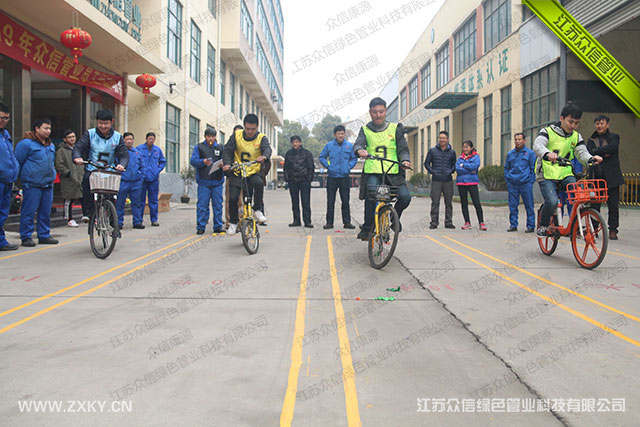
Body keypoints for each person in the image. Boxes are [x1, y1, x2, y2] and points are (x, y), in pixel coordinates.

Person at [533, 104, 602, 237]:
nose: (573, 126)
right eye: (570, 122)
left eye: (576, 123)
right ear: (562, 118)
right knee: (552, 202)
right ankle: (543, 225)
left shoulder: (576, 136)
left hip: (565, 173)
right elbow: (538, 145)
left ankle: (575, 224)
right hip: (547, 174)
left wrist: (591, 158)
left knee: (580, 195)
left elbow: (582, 153)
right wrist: (547, 154)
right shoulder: (548, 131)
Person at [354, 97, 412, 241]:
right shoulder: (365, 129)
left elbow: (403, 148)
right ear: (370, 112)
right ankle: (368, 227)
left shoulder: (396, 128)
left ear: (385, 111)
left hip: (393, 173)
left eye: (381, 111)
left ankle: (394, 217)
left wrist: (405, 160)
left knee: (405, 197)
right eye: (374, 112)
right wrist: (360, 150)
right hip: (373, 171)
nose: (378, 115)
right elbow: (358, 144)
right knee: (372, 194)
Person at [73, 109, 128, 220]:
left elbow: (124, 155)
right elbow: (78, 147)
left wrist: (122, 165)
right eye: (100, 123)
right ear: (97, 122)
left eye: (106, 123)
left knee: (110, 197)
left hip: (109, 171)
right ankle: (88, 213)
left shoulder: (117, 137)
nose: (103, 126)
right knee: (86, 182)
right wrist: (77, 157)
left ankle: (114, 226)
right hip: (93, 169)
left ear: (111, 122)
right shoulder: (90, 134)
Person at [222, 114, 272, 235]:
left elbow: (267, 149)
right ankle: (233, 223)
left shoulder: (261, 138)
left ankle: (257, 209)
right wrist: (227, 164)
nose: (250, 132)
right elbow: (228, 150)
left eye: (253, 129)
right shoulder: (236, 136)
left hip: (253, 170)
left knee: (259, 184)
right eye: (248, 128)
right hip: (238, 170)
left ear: (257, 127)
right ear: (244, 126)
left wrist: (264, 156)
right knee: (233, 198)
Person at [14, 118, 58, 247]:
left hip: (48, 183)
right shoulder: (26, 144)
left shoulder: (50, 145)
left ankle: (44, 235)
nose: (48, 131)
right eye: (45, 128)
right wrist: (17, 183)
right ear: (37, 129)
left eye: (49, 128)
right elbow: (18, 162)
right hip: (32, 183)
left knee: (45, 211)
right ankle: (26, 236)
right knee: (29, 211)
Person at [586, 115, 624, 240]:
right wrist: (603, 152)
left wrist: (597, 151)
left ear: (607, 124)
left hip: (612, 178)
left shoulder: (614, 137)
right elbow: (589, 152)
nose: (599, 126)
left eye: (602, 123)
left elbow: (613, 148)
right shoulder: (591, 139)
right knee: (594, 204)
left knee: (613, 205)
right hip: (596, 178)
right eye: (597, 123)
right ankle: (594, 228)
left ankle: (613, 230)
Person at [319, 125, 357, 229]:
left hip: (344, 177)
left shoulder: (349, 146)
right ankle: (329, 223)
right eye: (338, 134)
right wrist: (328, 166)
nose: (340, 135)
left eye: (342, 133)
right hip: (332, 177)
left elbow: (354, 159)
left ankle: (347, 222)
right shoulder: (329, 145)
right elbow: (322, 157)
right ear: (335, 135)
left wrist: (348, 167)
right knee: (330, 201)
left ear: (344, 134)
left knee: (345, 201)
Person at [191, 127, 225, 234]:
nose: (210, 139)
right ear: (205, 136)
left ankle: (218, 226)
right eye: (208, 136)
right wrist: (203, 162)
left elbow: (226, 159)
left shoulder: (220, 148)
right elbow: (193, 161)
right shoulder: (199, 147)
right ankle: (201, 226)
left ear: (215, 137)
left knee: (218, 205)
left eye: (213, 136)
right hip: (204, 182)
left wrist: (223, 163)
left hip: (217, 182)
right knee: (202, 206)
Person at [504, 133, 536, 233]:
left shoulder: (530, 153)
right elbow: (506, 168)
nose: (517, 141)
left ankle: (531, 225)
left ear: (524, 141)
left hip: (525, 183)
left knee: (529, 205)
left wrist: (530, 181)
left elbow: (533, 168)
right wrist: (508, 179)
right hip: (513, 183)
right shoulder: (510, 154)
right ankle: (513, 225)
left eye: (519, 139)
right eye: (516, 139)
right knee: (513, 206)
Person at [425, 130, 456, 229]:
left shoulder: (452, 152)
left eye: (443, 138)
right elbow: (426, 163)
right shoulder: (432, 151)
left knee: (448, 202)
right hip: (436, 180)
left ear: (447, 139)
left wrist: (450, 171)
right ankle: (434, 222)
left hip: (448, 180)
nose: (441, 140)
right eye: (440, 138)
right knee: (435, 202)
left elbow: (454, 164)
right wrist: (433, 172)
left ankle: (448, 222)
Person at [55, 129, 85, 227]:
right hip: (69, 180)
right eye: (69, 137)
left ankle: (87, 216)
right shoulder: (61, 151)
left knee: (84, 198)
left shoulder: (78, 149)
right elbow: (59, 165)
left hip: (80, 177)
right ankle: (69, 219)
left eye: (73, 136)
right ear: (64, 139)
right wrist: (67, 173)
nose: (72, 139)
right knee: (69, 199)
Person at [284, 135, 314, 228]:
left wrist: (309, 179)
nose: (295, 144)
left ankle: (307, 221)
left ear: (300, 143)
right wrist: (287, 178)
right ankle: (296, 220)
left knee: (306, 202)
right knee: (294, 202)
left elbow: (311, 167)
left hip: (304, 181)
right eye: (293, 142)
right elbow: (286, 167)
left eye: (296, 142)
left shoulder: (307, 153)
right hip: (292, 181)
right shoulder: (288, 154)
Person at [0, 102, 19, 251]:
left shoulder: (5, 134)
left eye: (6, 118)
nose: (4, 121)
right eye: (1, 118)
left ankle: (1, 241)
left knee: (3, 212)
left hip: (7, 180)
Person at [116, 132, 145, 230]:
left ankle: (137, 222)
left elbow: (142, 167)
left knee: (136, 203)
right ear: (123, 140)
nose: (129, 141)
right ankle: (119, 222)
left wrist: (141, 178)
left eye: (131, 139)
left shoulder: (137, 153)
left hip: (136, 182)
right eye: (127, 139)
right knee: (120, 203)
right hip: (123, 181)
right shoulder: (120, 152)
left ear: (133, 140)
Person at [137, 132, 166, 227]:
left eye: (153, 139)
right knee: (140, 200)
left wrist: (157, 170)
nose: (151, 140)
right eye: (149, 138)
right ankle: (139, 220)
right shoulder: (139, 149)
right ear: (146, 139)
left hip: (153, 179)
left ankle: (154, 220)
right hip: (142, 179)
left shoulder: (157, 150)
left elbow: (162, 162)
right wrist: (139, 172)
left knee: (153, 200)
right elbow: (135, 161)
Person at [456, 140, 486, 231]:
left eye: (467, 147)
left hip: (472, 182)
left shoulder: (476, 157)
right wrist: (469, 168)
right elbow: (457, 169)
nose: (465, 149)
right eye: (464, 147)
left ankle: (481, 222)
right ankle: (467, 222)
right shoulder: (459, 158)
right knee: (464, 203)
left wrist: (463, 166)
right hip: (461, 183)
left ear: (471, 148)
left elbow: (475, 167)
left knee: (476, 202)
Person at [225, 125, 244, 229]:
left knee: (241, 202)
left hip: (243, 176)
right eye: (236, 133)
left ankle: (241, 222)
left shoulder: (245, 146)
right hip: (232, 177)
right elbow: (225, 156)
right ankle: (229, 223)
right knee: (231, 200)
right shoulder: (229, 146)